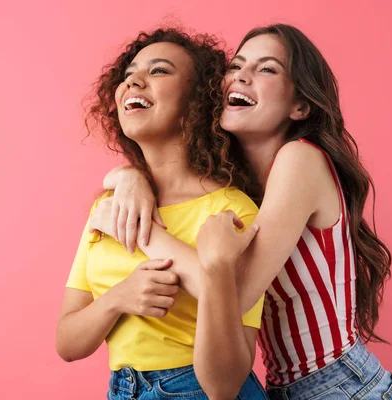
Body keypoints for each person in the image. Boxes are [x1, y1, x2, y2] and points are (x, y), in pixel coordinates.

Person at [100, 24, 392, 399]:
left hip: (342, 385)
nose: (242, 76)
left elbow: (235, 293)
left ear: (300, 105)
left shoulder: (302, 161)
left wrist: (142, 232)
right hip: (283, 388)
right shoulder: (239, 185)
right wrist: (128, 176)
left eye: (267, 69)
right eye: (236, 66)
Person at [56, 28, 267, 400]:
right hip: (123, 390)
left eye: (158, 71)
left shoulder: (232, 211)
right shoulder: (109, 205)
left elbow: (228, 380)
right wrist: (119, 298)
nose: (133, 81)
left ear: (197, 100)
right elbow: (67, 343)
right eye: (128, 75)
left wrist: (149, 237)